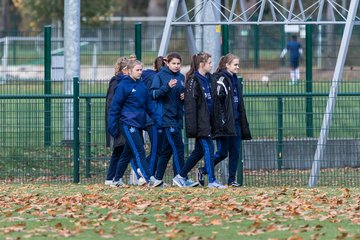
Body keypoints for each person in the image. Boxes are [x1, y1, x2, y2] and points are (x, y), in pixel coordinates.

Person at [197, 53, 252, 187]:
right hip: (225, 123)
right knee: (222, 152)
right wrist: (221, 120)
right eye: (235, 65)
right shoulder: (220, 79)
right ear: (226, 65)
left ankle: (231, 180)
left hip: (236, 122)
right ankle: (203, 170)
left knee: (235, 152)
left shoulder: (235, 79)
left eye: (238, 64)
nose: (237, 67)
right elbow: (218, 102)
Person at [172, 52, 226, 188]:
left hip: (208, 122)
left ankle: (180, 176)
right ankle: (212, 181)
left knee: (199, 151)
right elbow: (190, 108)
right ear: (201, 64)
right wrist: (194, 127)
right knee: (209, 148)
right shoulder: (193, 81)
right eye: (209, 62)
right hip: (200, 124)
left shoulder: (209, 78)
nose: (212, 65)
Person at [108, 60, 161, 187]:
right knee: (140, 151)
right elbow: (114, 107)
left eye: (141, 69)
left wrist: (157, 120)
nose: (140, 72)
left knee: (128, 153)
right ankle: (149, 179)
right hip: (128, 123)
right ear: (130, 71)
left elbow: (148, 105)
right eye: (137, 70)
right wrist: (113, 126)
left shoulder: (142, 85)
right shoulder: (123, 86)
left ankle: (116, 180)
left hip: (139, 124)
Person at [150, 52, 198, 187]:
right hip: (166, 119)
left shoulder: (181, 77)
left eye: (178, 64)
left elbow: (180, 96)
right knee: (179, 147)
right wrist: (166, 87)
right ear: (167, 63)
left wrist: (183, 97)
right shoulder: (160, 76)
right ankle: (181, 178)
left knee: (167, 150)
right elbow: (153, 94)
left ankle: (157, 180)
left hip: (177, 118)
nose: (176, 66)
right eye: (173, 63)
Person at [104, 57, 145, 186]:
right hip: (122, 121)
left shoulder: (131, 83)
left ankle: (113, 178)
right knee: (128, 149)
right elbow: (112, 106)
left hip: (126, 120)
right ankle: (141, 176)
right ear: (125, 70)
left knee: (124, 150)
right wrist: (114, 125)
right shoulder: (117, 83)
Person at [142, 56, 165, 175]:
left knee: (160, 149)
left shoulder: (149, 77)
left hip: (154, 118)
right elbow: (153, 99)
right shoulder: (156, 79)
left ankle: (147, 172)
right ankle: (148, 174)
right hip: (155, 119)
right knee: (157, 149)